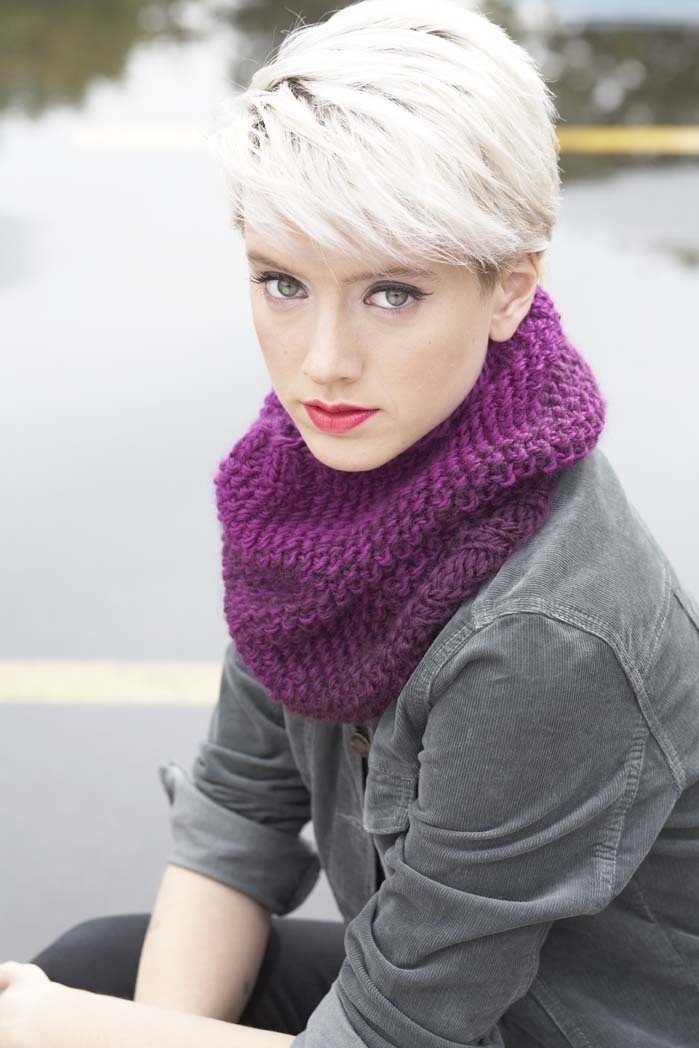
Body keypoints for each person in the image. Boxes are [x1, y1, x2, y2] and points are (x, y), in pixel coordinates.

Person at [2, 0, 698, 1045]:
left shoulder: (550, 632)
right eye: (283, 282)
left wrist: (81, 1034)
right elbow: (237, 815)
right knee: (93, 969)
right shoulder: (307, 488)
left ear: (509, 289)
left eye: (391, 294)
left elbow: (397, 1029)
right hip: (441, 1001)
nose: (322, 363)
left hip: (576, 1030)